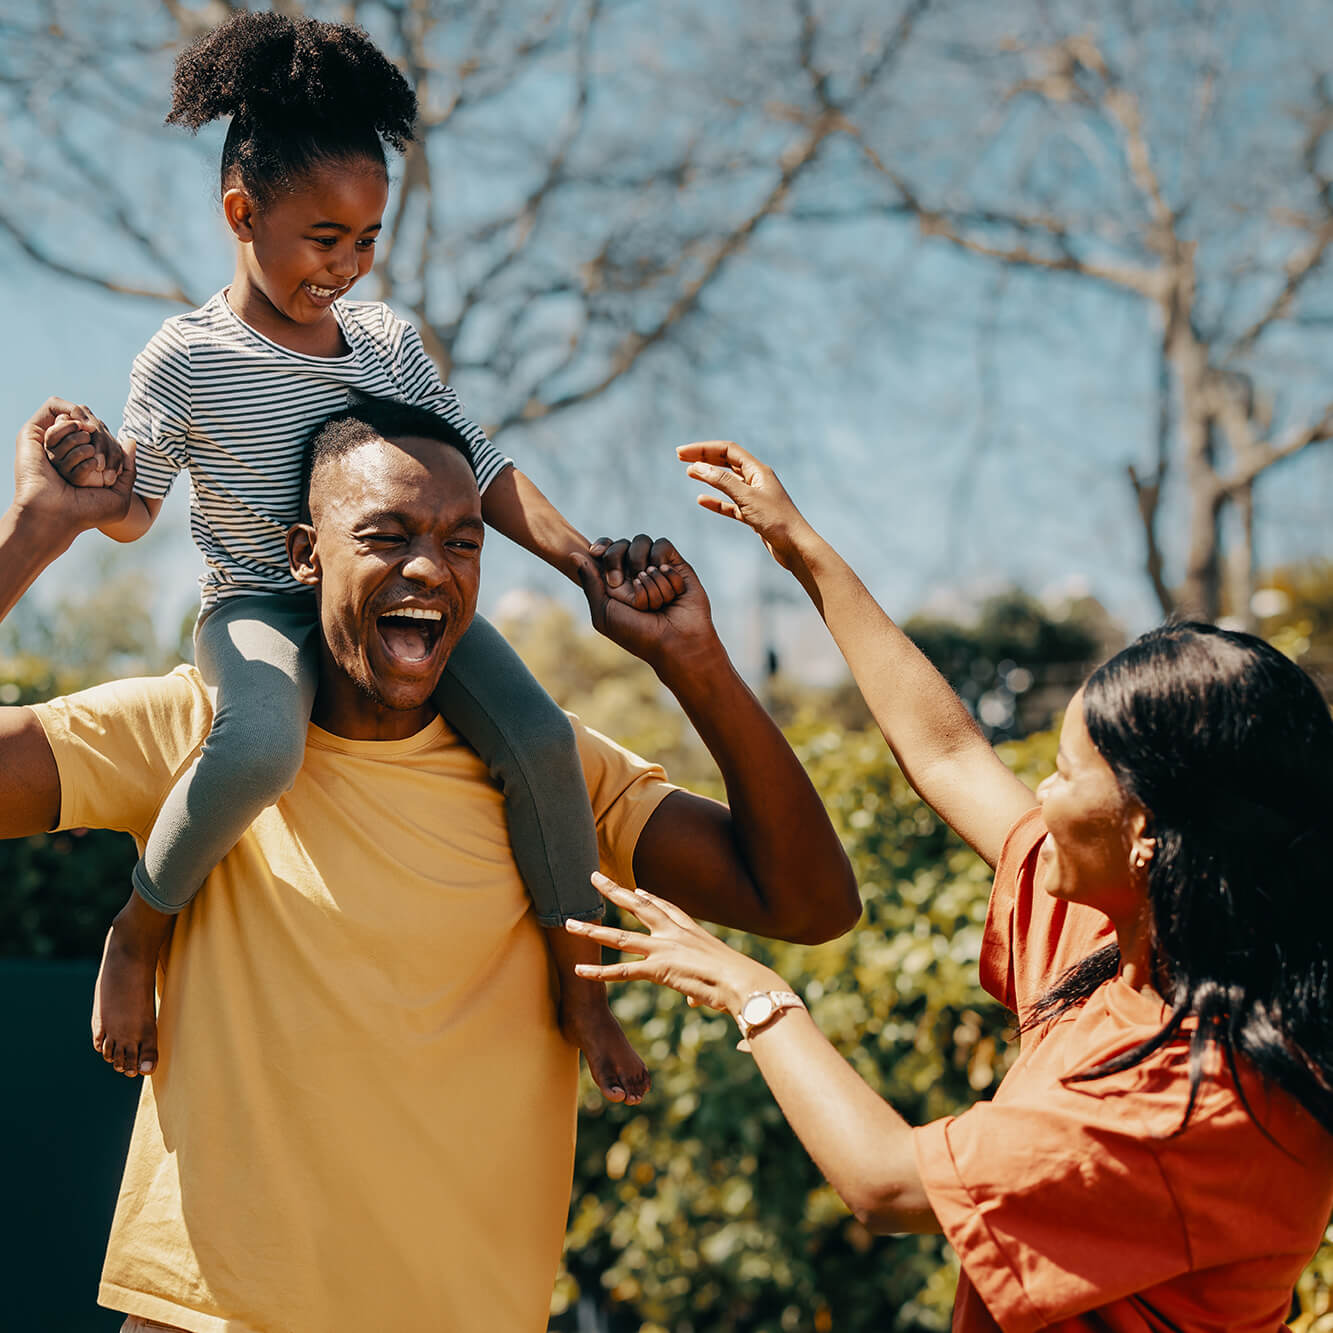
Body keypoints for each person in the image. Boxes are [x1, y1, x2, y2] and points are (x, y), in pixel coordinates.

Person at [0, 400, 859, 1332]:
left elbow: (807, 901)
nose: (428, 568)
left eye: (463, 542)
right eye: (384, 534)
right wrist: (34, 533)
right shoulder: (196, 733)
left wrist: (693, 661)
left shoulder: (550, 773)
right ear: (304, 553)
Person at [568, 439, 1333, 1331]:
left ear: (1146, 834)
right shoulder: (1120, 944)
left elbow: (885, 1181)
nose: (1035, 795)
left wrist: (753, 990)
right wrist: (800, 547)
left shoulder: (1205, 1104)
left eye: (1061, 772)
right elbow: (947, 751)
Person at [41, 10, 660, 1103]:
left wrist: (580, 560)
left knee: (538, 737)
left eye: (368, 239)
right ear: (243, 212)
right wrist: (94, 475)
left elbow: (484, 464)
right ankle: (139, 928)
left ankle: (581, 982)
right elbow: (137, 510)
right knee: (256, 749)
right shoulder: (188, 356)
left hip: (388, 607)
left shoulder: (384, 342)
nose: (349, 265)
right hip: (261, 608)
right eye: (325, 238)